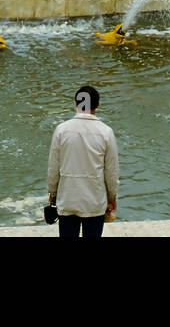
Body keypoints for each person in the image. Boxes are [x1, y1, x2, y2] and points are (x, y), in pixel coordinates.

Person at [47, 85, 119, 238]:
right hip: (94, 202)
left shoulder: (61, 130)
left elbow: (53, 168)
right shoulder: (106, 132)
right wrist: (111, 197)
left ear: (76, 103)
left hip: (67, 198)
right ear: (98, 104)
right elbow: (111, 172)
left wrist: (53, 193)